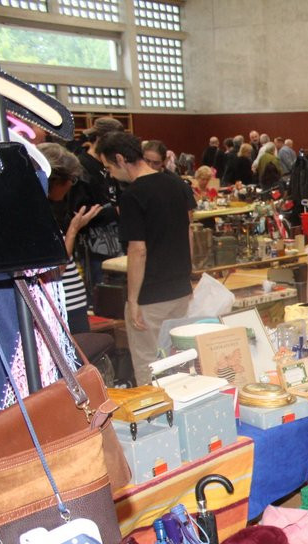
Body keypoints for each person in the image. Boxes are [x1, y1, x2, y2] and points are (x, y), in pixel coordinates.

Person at [95, 132, 194, 386]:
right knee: (182, 361)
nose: (110, 173)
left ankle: (158, 422)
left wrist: (132, 300)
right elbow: (188, 232)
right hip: (180, 288)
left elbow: (138, 250)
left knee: (150, 365)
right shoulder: (175, 184)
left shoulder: (132, 195)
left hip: (151, 294)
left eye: (108, 167)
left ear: (120, 159)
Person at [39, 143, 102, 335]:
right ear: (56, 180)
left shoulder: (44, 208)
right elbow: (56, 266)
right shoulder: (40, 214)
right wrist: (74, 229)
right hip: (61, 299)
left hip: (67, 296)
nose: (70, 186)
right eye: (71, 180)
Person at [70, 116, 124, 293]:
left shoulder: (110, 164)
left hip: (118, 238)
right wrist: (113, 211)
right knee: (102, 294)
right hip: (94, 245)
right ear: (100, 139)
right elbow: (79, 211)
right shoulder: (82, 166)